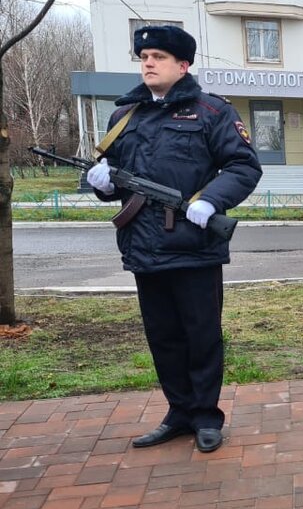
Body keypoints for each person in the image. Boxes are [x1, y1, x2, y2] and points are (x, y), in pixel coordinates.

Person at [86, 25, 262, 453]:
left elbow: (243, 167)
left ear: (182, 65)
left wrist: (211, 202)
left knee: (201, 336)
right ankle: (178, 412)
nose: (148, 63)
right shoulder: (123, 115)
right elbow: (110, 172)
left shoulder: (212, 112)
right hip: (143, 246)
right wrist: (101, 184)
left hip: (195, 246)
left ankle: (206, 416)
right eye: (144, 56)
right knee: (162, 336)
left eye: (158, 57)